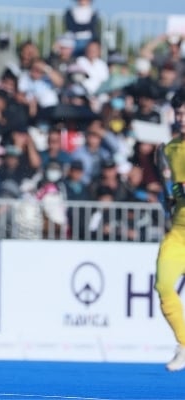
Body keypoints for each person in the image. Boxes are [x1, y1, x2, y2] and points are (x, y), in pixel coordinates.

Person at [155, 88, 185, 371]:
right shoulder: (170, 149)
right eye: (179, 113)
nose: (182, 117)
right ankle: (184, 344)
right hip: (179, 233)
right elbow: (172, 194)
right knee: (164, 285)